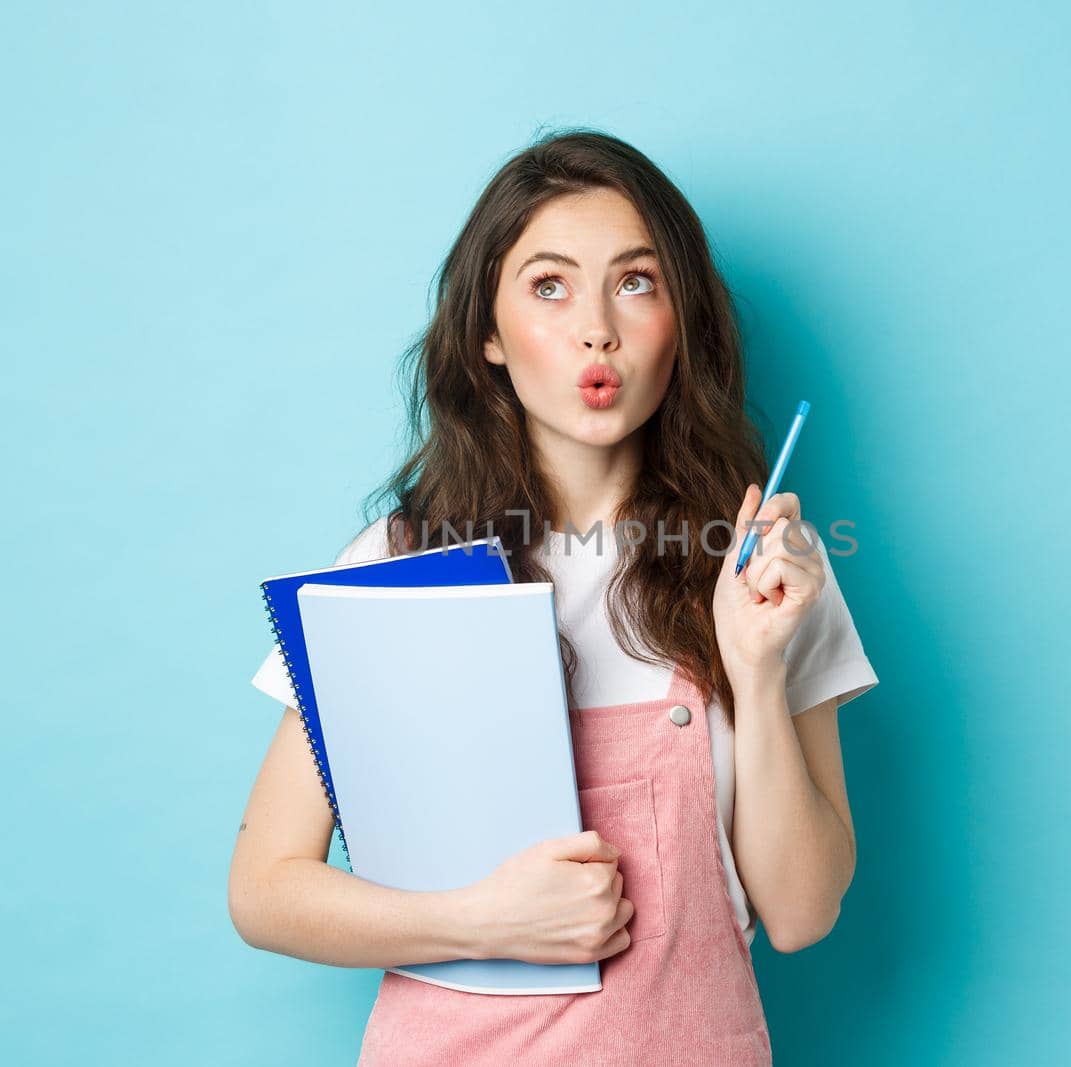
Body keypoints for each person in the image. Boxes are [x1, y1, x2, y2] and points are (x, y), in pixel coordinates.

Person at [228, 128, 878, 1066]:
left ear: (682, 319)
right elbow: (265, 888)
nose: (596, 330)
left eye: (636, 281)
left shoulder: (761, 564)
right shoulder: (399, 563)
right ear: (486, 335)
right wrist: (483, 917)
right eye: (549, 285)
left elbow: (803, 912)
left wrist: (755, 665)